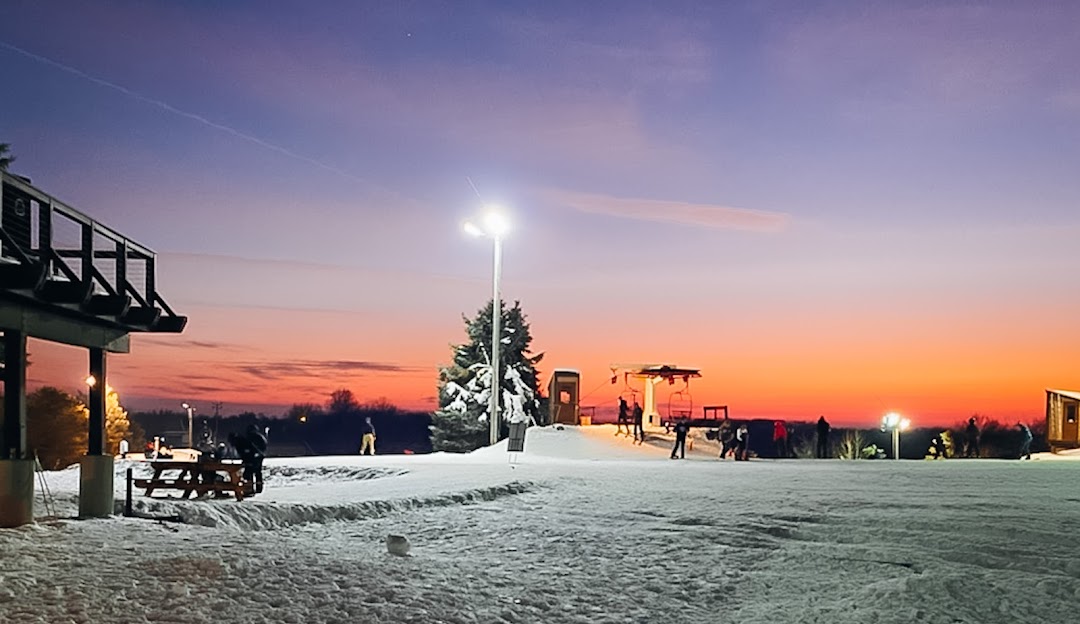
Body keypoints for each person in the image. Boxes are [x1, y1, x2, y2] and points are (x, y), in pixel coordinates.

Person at [231, 424, 268, 494]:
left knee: (248, 472)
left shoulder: (249, 437)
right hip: (259, 456)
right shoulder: (261, 437)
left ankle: (249, 489)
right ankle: (258, 488)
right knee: (258, 472)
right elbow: (264, 446)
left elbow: (247, 448)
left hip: (252, 457)